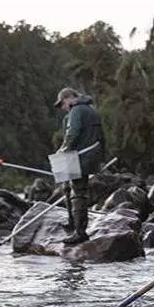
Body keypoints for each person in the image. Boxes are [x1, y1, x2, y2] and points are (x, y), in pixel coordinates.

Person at [54, 87, 105, 244]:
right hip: (91, 156)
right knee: (69, 188)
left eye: (62, 103)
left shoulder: (76, 110)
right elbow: (101, 137)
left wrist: (63, 150)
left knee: (78, 193)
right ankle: (73, 223)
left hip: (80, 156)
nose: (63, 107)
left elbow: (73, 132)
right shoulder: (91, 110)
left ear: (70, 98)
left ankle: (79, 232)